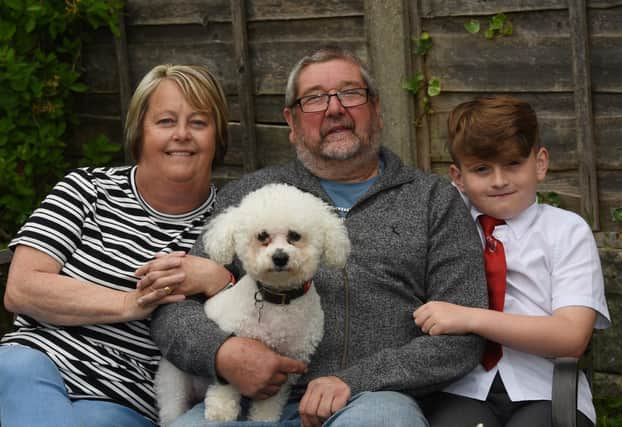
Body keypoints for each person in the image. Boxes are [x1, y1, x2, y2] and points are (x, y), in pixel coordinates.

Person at [151, 46, 488, 427]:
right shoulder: (254, 198)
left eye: (350, 93)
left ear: (376, 110)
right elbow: (173, 308)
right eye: (314, 99)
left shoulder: (431, 199)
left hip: (370, 401)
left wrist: (355, 380)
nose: (334, 109)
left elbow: (464, 335)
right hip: (242, 400)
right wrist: (222, 353)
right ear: (291, 122)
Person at [0, 64, 234, 427]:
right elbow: (21, 287)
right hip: (32, 365)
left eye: (199, 123)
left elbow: (248, 319)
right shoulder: (86, 189)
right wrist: (129, 302)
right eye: (166, 121)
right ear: (139, 131)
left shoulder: (231, 226)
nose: (182, 135)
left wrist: (220, 281)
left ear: (217, 136)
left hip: (122, 397)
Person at [415, 95, 611, 427]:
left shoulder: (567, 231)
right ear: (458, 177)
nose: (499, 180)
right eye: (481, 169)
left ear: (540, 163)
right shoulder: (446, 225)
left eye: (513, 164)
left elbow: (571, 337)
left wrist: (471, 319)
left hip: (545, 388)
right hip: (462, 387)